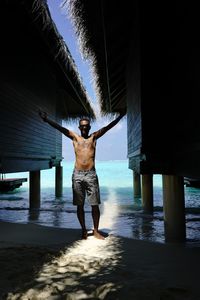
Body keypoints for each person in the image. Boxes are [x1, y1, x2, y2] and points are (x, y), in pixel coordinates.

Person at [39, 111, 125, 240]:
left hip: (91, 174)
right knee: (80, 205)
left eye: (86, 126)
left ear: (89, 127)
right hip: (77, 175)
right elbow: (60, 128)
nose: (84, 128)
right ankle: (84, 230)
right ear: (79, 128)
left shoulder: (94, 137)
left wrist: (120, 117)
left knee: (94, 204)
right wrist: (47, 120)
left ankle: (96, 231)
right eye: (82, 126)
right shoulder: (75, 137)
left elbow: (108, 127)